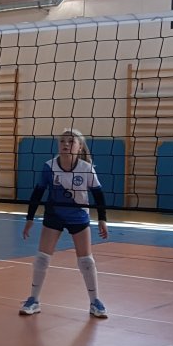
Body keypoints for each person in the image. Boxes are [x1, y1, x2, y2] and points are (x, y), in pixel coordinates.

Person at [20, 128, 109, 319]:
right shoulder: (49, 166)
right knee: (42, 258)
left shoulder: (86, 168)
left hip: (79, 216)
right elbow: (37, 193)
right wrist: (29, 219)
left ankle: (95, 302)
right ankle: (33, 300)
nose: (66, 145)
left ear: (79, 147)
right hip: (55, 215)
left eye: (71, 142)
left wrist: (102, 219)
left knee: (86, 261)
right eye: (62, 141)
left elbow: (98, 194)